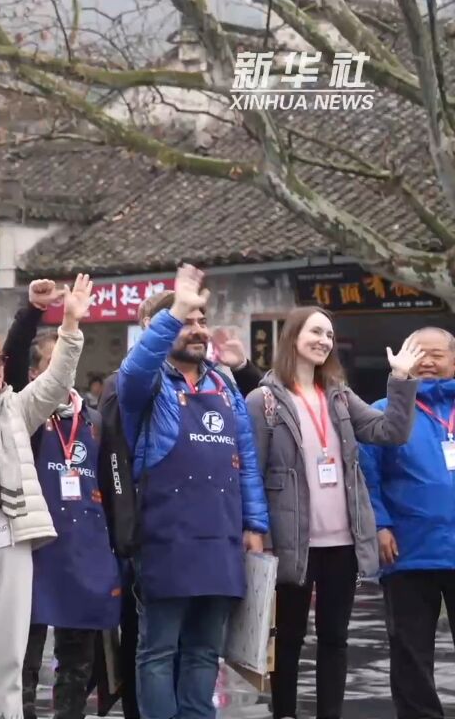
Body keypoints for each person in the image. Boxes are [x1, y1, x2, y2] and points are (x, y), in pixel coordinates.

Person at [247, 306, 420, 719]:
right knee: (287, 638)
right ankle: (285, 713)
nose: (324, 340)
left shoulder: (339, 396)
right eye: (315, 332)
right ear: (292, 337)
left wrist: (400, 380)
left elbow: (390, 432)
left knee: (334, 639)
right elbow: (250, 471)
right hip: (293, 541)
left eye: (328, 334)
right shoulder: (265, 400)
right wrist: (254, 529)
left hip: (342, 541)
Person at [115, 264, 268, 719]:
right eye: (188, 320)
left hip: (221, 537)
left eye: (202, 320)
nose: (199, 329)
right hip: (165, 536)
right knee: (158, 650)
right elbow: (138, 365)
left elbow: (246, 463)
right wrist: (174, 308)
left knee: (205, 652)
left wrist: (255, 525)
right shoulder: (148, 384)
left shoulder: (224, 385)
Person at [0, 275, 93, 719]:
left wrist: (70, 325)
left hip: (13, 541)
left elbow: (57, 378)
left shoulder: (15, 409)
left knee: (9, 659)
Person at [10, 326, 121, 719]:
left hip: (85, 549)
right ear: (33, 375)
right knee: (23, 659)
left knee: (77, 662)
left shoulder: (94, 419)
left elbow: (112, 484)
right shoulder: (22, 418)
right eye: (54, 362)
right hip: (35, 551)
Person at [362, 326, 455, 719]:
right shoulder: (385, 410)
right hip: (408, 549)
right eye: (421, 353)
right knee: (410, 652)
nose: (429, 362)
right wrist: (380, 524)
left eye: (438, 354)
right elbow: (367, 475)